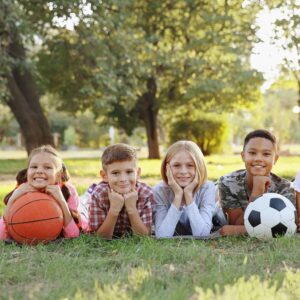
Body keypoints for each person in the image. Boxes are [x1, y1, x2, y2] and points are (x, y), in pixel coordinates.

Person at [0, 145, 89, 241]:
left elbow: (73, 235)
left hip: (81, 209)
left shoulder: (67, 190)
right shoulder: (22, 190)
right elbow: (2, 236)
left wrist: (62, 202)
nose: (39, 171)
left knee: (86, 202)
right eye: (34, 167)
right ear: (27, 172)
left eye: (47, 167)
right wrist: (12, 200)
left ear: (58, 175)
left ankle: (88, 194)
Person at [218, 129, 295, 236]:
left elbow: (233, 229)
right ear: (243, 156)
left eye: (266, 154)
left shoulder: (285, 188)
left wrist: (233, 230)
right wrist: (256, 193)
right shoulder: (228, 183)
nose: (258, 158)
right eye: (252, 153)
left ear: (275, 159)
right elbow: (235, 223)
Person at [154, 140, 224, 238]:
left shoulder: (207, 188)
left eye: (190, 165)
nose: (183, 171)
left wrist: (188, 196)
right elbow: (162, 235)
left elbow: (202, 234)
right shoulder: (160, 190)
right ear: (167, 168)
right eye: (176, 165)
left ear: (199, 167)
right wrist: (178, 195)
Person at [88, 143, 154, 239]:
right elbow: (99, 238)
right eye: (115, 173)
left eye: (129, 172)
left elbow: (144, 237)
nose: (123, 179)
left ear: (138, 173)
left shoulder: (146, 193)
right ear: (104, 176)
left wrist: (132, 208)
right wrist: (114, 210)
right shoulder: (99, 194)